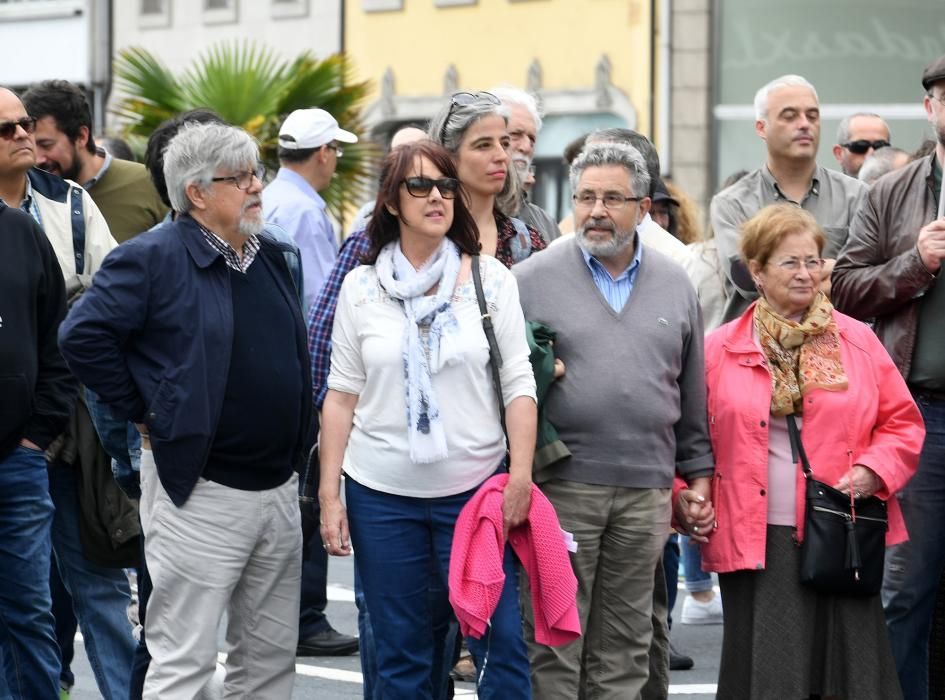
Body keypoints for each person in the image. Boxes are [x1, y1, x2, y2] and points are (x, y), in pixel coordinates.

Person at [59, 122, 311, 698]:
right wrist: (146, 410)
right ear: (196, 192)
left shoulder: (272, 252)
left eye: (256, 172)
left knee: (269, 663)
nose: (256, 186)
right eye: (239, 177)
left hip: (276, 488)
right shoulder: (151, 257)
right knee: (184, 661)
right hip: (199, 489)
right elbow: (83, 337)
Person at [309, 96, 544, 696]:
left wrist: (520, 476)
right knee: (402, 654)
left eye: (444, 185)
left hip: (476, 491)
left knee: (501, 651)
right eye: (420, 187)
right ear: (391, 201)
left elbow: (519, 382)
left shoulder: (489, 277)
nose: (437, 196)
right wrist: (330, 492)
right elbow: (340, 394)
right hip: (382, 498)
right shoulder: (362, 286)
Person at [514, 141, 714, 699]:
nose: (596, 210)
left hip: (646, 492)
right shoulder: (531, 279)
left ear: (644, 209)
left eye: (612, 198)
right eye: (585, 197)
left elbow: (691, 394)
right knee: (556, 636)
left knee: (626, 643)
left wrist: (697, 480)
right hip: (563, 485)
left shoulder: (677, 283)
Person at [703, 203, 924, 699]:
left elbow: (903, 425)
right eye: (790, 262)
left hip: (842, 530)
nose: (806, 274)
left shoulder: (857, 340)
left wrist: (873, 470)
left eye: (813, 261)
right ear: (756, 271)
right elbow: (689, 439)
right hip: (755, 535)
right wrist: (685, 497)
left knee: (849, 668)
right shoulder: (719, 350)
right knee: (770, 670)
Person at [0, 85, 134, 700]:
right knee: (25, 604)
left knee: (95, 584)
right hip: (27, 440)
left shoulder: (71, 205)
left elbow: (105, 311)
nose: (25, 135)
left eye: (27, 124)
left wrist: (40, 431)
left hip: (67, 434)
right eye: (9, 129)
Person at [832, 52, 945, 700]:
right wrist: (915, 262)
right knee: (907, 589)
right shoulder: (889, 194)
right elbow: (842, 289)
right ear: (929, 110)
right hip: (921, 417)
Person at [710, 74, 867, 324]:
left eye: (812, 116)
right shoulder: (732, 203)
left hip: (837, 350)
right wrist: (832, 271)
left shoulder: (857, 196)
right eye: (790, 116)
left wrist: (781, 268)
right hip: (757, 353)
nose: (804, 124)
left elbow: (865, 280)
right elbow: (749, 281)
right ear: (762, 127)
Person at [0, 202, 76, 699]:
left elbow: (59, 341)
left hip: (16, 461)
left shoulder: (20, 231)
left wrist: (36, 436)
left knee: (28, 613)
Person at [23, 79, 168, 242]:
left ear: (81, 136)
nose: (37, 158)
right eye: (31, 146)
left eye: (46, 145)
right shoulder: (27, 197)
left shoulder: (148, 183)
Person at [264, 107, 358, 313]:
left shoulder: (267, 196)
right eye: (337, 150)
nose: (337, 157)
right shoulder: (304, 212)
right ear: (324, 153)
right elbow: (320, 301)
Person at [490, 86, 560, 243]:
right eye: (516, 135)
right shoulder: (457, 213)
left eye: (532, 139)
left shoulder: (545, 223)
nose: (526, 147)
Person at [832, 112, 892, 178]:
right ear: (839, 154)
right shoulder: (825, 187)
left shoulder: (901, 187)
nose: (871, 154)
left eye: (880, 147)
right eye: (860, 146)